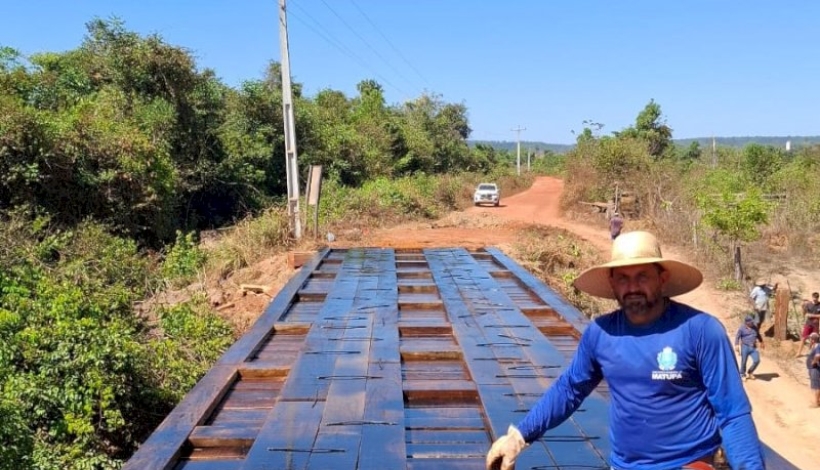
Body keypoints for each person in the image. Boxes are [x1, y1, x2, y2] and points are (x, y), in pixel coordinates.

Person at [486, 231, 764, 470]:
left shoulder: (700, 331)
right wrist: (519, 436)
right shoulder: (601, 333)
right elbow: (570, 389)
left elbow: (732, 412)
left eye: (642, 276)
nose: (632, 287)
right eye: (623, 278)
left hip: (687, 462)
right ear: (612, 283)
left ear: (662, 278)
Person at [735, 314, 764, 380]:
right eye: (751, 322)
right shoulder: (741, 328)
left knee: (757, 360)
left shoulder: (755, 327)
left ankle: (750, 372)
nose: (752, 323)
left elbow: (758, 335)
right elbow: (737, 336)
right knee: (744, 361)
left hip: (753, 347)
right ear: (747, 322)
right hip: (745, 346)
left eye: (753, 322)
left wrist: (761, 341)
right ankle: (742, 374)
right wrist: (736, 345)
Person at [795, 292, 820, 358]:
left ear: (818, 298)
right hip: (808, 324)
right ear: (812, 297)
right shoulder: (809, 304)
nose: (815, 299)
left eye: (816, 298)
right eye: (814, 298)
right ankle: (798, 353)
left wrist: (812, 315)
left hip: (816, 325)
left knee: (814, 340)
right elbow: (804, 313)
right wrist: (802, 307)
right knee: (803, 338)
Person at [805, 332, 820, 408]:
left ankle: (816, 403)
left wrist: (814, 362)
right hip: (813, 368)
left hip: (815, 369)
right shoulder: (815, 346)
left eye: (810, 338)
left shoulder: (818, 346)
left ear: (813, 340)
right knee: (816, 385)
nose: (809, 339)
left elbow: (818, 356)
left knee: (816, 386)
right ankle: (817, 401)